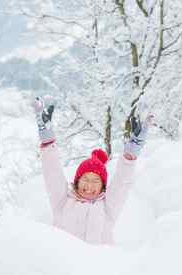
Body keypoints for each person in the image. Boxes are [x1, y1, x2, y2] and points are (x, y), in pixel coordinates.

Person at [33, 96, 152, 245]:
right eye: (85, 179)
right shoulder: (63, 201)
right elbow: (52, 174)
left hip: (98, 266)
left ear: (102, 186)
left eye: (95, 181)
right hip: (61, 265)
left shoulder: (108, 207)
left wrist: (130, 155)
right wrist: (47, 141)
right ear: (76, 182)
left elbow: (122, 183)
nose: (89, 186)